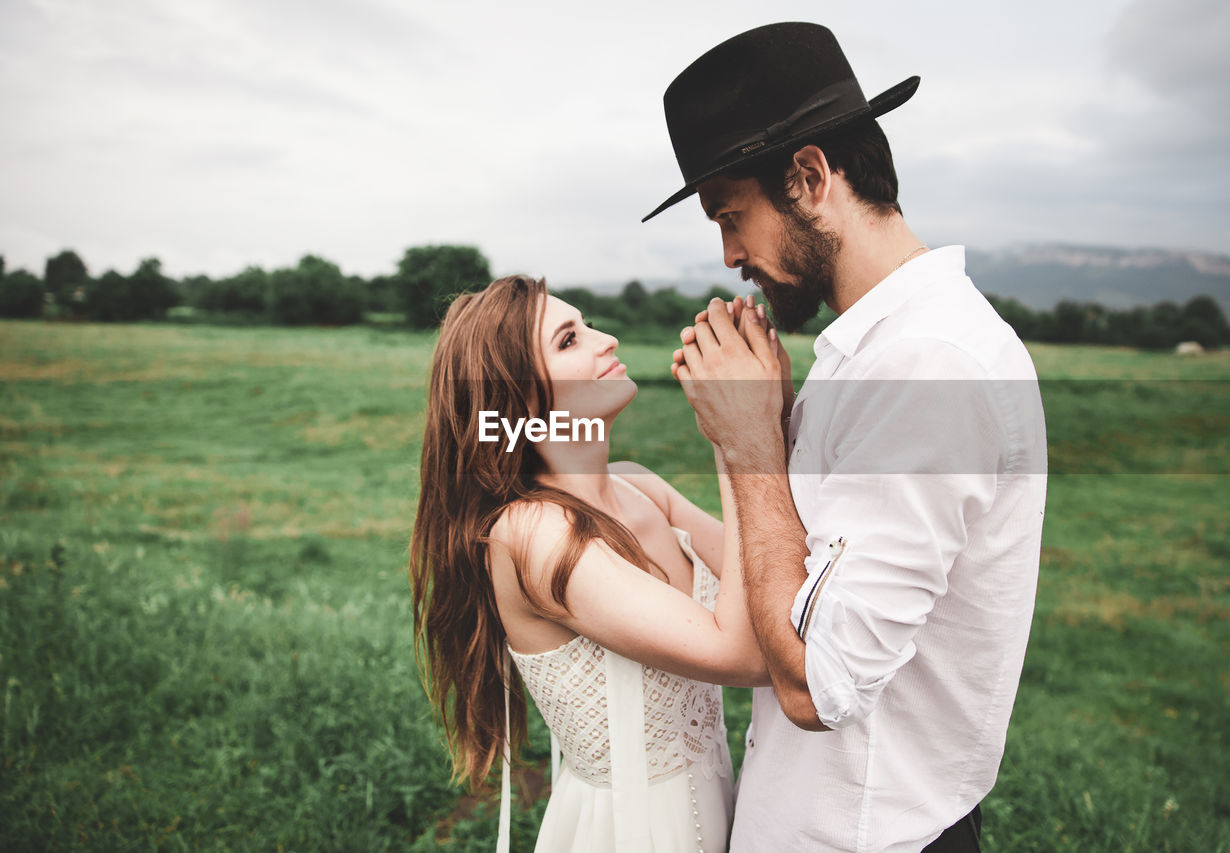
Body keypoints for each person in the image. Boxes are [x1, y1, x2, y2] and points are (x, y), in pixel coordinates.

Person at [645, 23, 1049, 852]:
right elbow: (794, 566)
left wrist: (754, 447)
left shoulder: (928, 367)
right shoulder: (866, 350)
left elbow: (818, 687)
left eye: (732, 215)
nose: (727, 253)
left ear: (809, 177)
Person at [409, 274, 773, 853]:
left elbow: (772, 576)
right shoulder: (534, 535)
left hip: (721, 804)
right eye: (570, 340)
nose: (607, 340)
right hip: (635, 832)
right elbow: (748, 654)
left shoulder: (639, 486)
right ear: (521, 397)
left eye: (589, 325)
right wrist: (735, 438)